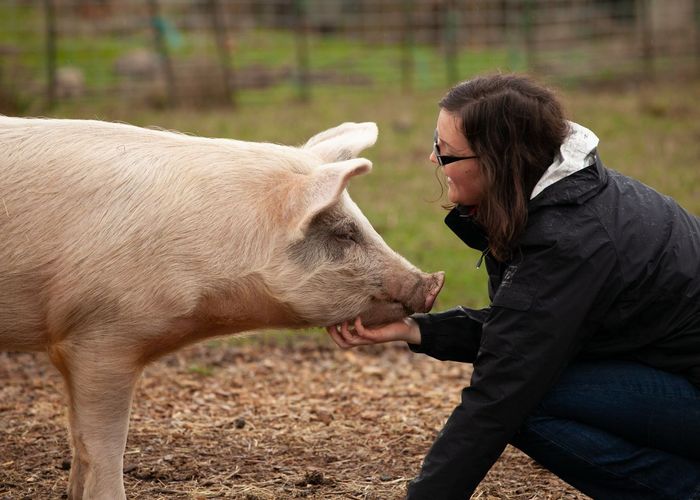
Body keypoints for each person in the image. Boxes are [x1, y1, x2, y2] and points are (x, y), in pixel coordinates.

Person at [326, 73, 700, 499]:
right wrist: (417, 330)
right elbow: (534, 325)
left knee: (527, 402)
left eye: (446, 152)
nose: (433, 160)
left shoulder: (570, 239)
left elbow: (505, 386)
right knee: (531, 385)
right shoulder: (562, 195)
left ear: (497, 161)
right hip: (675, 371)